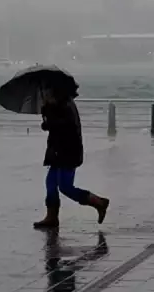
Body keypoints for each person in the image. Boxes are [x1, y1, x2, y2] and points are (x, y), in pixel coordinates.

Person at [33, 88, 110, 229]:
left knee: (65, 187)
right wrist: (46, 114)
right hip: (57, 151)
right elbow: (52, 126)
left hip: (68, 152)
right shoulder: (57, 105)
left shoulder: (65, 105)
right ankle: (51, 217)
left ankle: (98, 202)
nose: (45, 95)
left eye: (47, 92)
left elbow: (64, 126)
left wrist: (49, 116)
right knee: (50, 183)